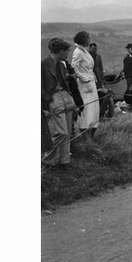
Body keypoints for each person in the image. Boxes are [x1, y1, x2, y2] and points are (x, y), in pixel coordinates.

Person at [42, 38, 76, 167]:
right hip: (54, 98)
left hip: (65, 97)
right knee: (62, 133)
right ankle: (47, 159)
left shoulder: (62, 65)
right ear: (61, 51)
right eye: (66, 52)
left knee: (67, 133)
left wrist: (70, 96)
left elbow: (64, 83)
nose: (67, 54)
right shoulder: (43, 65)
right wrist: (48, 99)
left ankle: (64, 161)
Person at [70, 31, 99, 144]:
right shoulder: (77, 52)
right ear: (83, 39)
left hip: (91, 84)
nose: (89, 40)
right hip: (84, 85)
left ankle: (90, 138)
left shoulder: (84, 51)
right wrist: (84, 78)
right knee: (86, 113)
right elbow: (74, 68)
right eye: (88, 38)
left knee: (94, 112)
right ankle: (87, 140)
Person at [89, 42, 114, 119]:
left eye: (95, 49)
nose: (94, 50)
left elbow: (101, 67)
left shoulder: (98, 56)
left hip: (99, 79)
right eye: (93, 49)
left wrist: (103, 81)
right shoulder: (87, 57)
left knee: (102, 95)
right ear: (90, 48)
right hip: (91, 79)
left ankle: (101, 113)